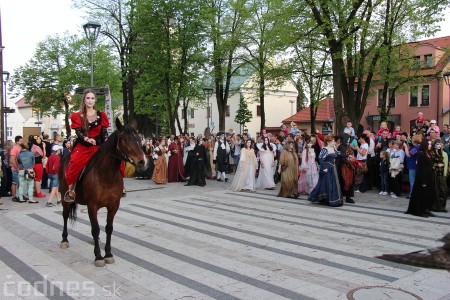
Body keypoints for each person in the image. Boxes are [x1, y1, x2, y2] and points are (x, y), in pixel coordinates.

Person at [64, 89, 109, 202]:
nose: (90, 100)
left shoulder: (101, 115)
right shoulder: (77, 115)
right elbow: (78, 132)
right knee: (75, 162)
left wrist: (107, 142)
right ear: (84, 100)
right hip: (83, 146)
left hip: (99, 146)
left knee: (115, 159)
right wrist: (86, 138)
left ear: (95, 100)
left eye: (92, 98)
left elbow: (104, 133)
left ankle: (119, 186)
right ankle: (71, 190)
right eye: (88, 98)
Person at [308, 136, 349, 206]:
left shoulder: (333, 148)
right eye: (332, 141)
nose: (334, 142)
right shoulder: (325, 149)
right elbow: (320, 158)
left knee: (331, 184)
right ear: (328, 142)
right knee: (326, 183)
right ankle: (325, 199)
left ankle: (329, 199)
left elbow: (338, 155)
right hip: (326, 168)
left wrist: (347, 155)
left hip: (332, 168)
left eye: (333, 141)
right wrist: (324, 168)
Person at [405, 140, 436, 217]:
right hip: (422, 177)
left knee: (429, 194)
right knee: (421, 195)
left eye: (430, 144)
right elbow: (420, 168)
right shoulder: (421, 154)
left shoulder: (429, 153)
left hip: (429, 176)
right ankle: (420, 210)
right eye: (428, 144)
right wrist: (423, 180)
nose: (430, 145)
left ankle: (426, 209)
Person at [431, 139, 448, 213]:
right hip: (434, 174)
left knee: (443, 190)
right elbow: (430, 163)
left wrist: (444, 172)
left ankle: (442, 206)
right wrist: (436, 165)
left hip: (441, 174)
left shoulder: (442, 153)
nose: (439, 146)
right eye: (437, 144)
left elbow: (445, 163)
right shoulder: (432, 153)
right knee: (435, 190)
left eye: (440, 144)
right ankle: (435, 206)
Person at [10, 136, 24, 202]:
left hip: (21, 168)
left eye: (22, 141)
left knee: (21, 182)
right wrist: (17, 168)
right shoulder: (14, 149)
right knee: (15, 182)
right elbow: (12, 160)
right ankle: (14, 196)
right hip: (15, 169)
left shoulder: (21, 148)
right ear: (17, 141)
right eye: (21, 141)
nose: (22, 142)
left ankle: (21, 195)